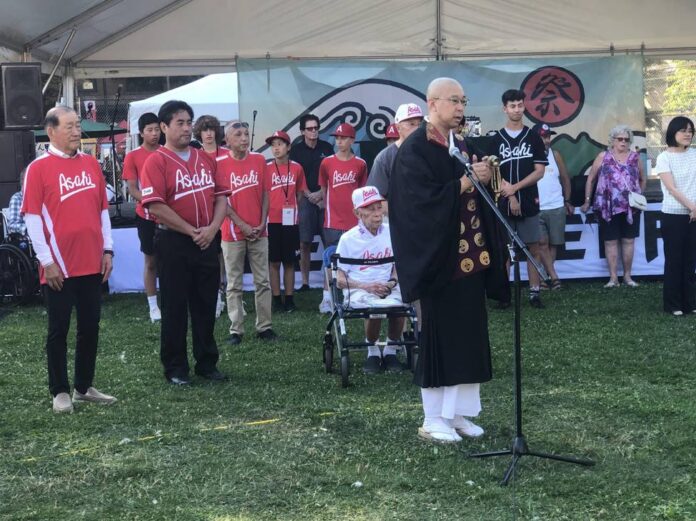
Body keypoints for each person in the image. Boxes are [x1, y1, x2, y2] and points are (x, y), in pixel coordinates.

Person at [390, 77, 507, 444]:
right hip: (439, 261)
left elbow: (475, 190)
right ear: (432, 103)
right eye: (453, 101)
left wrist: (483, 178)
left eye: (463, 100)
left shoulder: (460, 145)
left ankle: (457, 414)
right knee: (439, 338)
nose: (460, 108)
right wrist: (467, 182)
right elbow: (418, 205)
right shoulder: (415, 150)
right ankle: (431, 418)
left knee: (468, 337)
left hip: (471, 257)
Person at [22, 106, 117, 413]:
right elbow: (33, 218)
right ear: (51, 131)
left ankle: (83, 386)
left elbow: (103, 210)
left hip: (92, 261)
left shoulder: (91, 164)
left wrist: (108, 249)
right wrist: (46, 261)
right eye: (70, 126)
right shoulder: (38, 169)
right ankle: (59, 391)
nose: (77, 131)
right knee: (58, 329)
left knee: (91, 326)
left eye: (78, 126)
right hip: (59, 266)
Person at [140, 100, 230, 385]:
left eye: (188, 121)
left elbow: (221, 196)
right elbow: (155, 205)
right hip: (174, 241)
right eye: (179, 122)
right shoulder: (156, 161)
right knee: (175, 307)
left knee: (205, 304)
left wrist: (213, 229)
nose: (186, 127)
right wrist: (193, 231)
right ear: (164, 126)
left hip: (206, 239)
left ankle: (206, 362)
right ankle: (176, 368)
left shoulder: (205, 157)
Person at [217, 120, 276, 345]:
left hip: (259, 232)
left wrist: (262, 222)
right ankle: (236, 330)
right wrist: (241, 224)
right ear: (228, 140)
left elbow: (265, 193)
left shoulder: (260, 160)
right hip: (232, 233)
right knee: (234, 283)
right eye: (238, 135)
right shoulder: (220, 163)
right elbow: (221, 200)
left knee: (263, 281)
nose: (244, 138)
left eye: (246, 134)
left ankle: (265, 327)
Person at [487, 89, 548, 308]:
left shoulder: (533, 138)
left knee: (533, 247)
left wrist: (515, 188)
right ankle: (505, 295)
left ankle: (534, 292)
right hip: (502, 202)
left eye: (520, 105)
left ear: (524, 106)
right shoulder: (495, 140)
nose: (516, 109)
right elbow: (491, 172)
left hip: (529, 200)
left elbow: (539, 171)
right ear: (505, 108)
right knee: (504, 250)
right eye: (512, 106)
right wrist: (508, 192)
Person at [335, 186, 404, 374]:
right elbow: (340, 279)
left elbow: (399, 265)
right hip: (359, 288)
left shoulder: (393, 232)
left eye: (379, 207)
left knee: (401, 305)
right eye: (370, 209)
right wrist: (367, 286)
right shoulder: (348, 239)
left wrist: (391, 283)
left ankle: (391, 350)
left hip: (389, 284)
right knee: (375, 309)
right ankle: (372, 350)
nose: (377, 214)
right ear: (357, 213)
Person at [581, 124, 646, 288]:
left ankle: (628, 276)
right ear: (613, 140)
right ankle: (613, 278)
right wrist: (588, 200)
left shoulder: (635, 157)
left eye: (626, 139)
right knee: (610, 241)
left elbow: (643, 179)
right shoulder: (603, 156)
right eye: (620, 139)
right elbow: (591, 179)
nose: (623, 142)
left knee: (628, 241)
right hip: (607, 206)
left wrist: (638, 195)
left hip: (631, 207)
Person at [317, 122, 368, 313]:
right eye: (337, 138)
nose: (339, 141)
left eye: (343, 138)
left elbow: (362, 192)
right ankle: (326, 298)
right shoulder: (327, 162)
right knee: (330, 258)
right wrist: (328, 210)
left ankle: (355, 295)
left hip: (354, 221)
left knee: (354, 260)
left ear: (352, 140)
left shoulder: (360, 164)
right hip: (332, 221)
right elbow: (324, 189)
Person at [654, 116, 696, 316]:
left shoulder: (695, 154)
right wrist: (691, 206)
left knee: (690, 261)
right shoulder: (664, 157)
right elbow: (671, 188)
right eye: (683, 130)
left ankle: (690, 302)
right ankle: (673, 304)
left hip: (694, 215)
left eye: (690, 130)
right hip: (673, 215)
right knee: (674, 260)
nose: (688, 134)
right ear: (673, 133)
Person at [123, 112, 162, 322]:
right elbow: (132, 188)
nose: (154, 134)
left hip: (169, 217)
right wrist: (151, 203)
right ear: (141, 132)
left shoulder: (166, 153)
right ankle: (153, 305)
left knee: (171, 261)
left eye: (157, 129)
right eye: (150, 130)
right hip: (146, 216)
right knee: (150, 261)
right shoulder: (133, 156)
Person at [264, 130, 309, 313]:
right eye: (273, 145)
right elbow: (264, 195)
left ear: (288, 147)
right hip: (272, 221)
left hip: (290, 221)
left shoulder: (297, 168)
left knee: (289, 261)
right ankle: (276, 299)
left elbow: (300, 193)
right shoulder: (266, 168)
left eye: (280, 144)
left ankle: (289, 299)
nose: (276, 148)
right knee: (274, 262)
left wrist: (290, 207)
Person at [289, 114, 334, 291]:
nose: (314, 131)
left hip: (325, 198)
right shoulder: (296, 151)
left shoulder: (327, 147)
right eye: (309, 129)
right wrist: (310, 195)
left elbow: (332, 175)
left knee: (328, 241)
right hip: (306, 199)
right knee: (304, 242)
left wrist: (321, 195)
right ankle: (305, 282)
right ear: (302, 131)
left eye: (316, 128)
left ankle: (328, 282)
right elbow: (295, 178)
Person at [193, 114, 229, 318]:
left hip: (230, 209)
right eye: (204, 130)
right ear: (199, 133)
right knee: (212, 256)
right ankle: (216, 296)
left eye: (211, 129)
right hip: (208, 213)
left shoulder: (226, 154)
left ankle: (231, 292)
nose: (208, 133)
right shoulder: (196, 156)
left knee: (228, 256)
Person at [532, 123, 573, 290]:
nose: (546, 140)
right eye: (542, 136)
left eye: (548, 136)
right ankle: (550, 278)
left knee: (553, 245)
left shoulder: (555, 155)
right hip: (537, 207)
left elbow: (565, 179)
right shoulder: (529, 156)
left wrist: (568, 200)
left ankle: (546, 276)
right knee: (541, 243)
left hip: (556, 205)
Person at [368, 103, 424, 200]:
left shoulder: (429, 152)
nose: (417, 129)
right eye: (411, 124)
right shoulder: (385, 158)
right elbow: (375, 197)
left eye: (419, 124)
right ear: (398, 127)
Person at [6, 168, 27, 236]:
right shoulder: (17, 198)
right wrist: (31, 229)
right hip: (26, 240)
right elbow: (13, 225)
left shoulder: (40, 197)